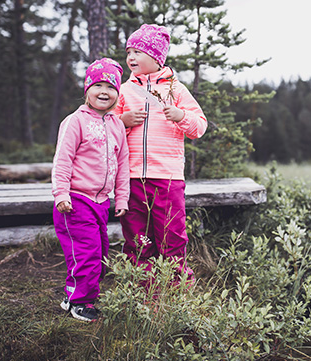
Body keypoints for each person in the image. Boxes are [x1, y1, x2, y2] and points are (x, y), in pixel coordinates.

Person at [115, 24, 207, 282]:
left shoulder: (175, 89)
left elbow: (199, 126)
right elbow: (107, 127)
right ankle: (143, 284)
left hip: (167, 179)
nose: (131, 57)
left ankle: (176, 285)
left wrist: (181, 116)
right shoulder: (124, 91)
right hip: (132, 178)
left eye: (137, 52)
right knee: (137, 235)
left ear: (156, 57)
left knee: (171, 234)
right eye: (128, 52)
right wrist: (123, 120)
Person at [51, 58, 130, 322]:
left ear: (118, 93)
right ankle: (81, 302)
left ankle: (73, 295)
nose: (104, 91)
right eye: (98, 85)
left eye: (111, 86)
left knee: (101, 253)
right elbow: (62, 160)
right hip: (75, 200)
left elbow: (122, 164)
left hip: (101, 203)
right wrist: (61, 194)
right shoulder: (75, 121)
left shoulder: (117, 124)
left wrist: (122, 197)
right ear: (87, 90)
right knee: (87, 253)